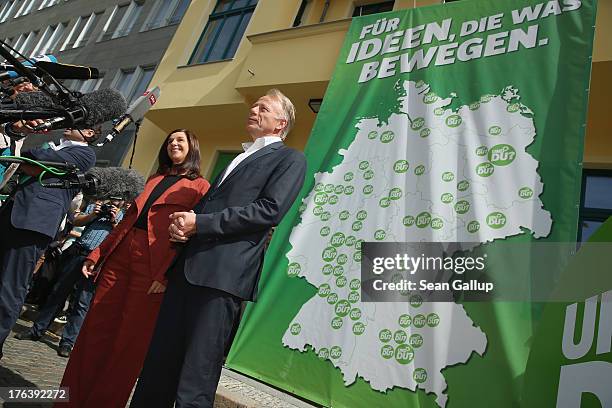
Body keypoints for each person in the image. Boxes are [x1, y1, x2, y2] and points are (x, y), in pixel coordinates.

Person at [131, 89, 307, 407]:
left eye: (263, 107)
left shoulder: (289, 158)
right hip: (187, 270)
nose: (254, 109)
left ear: (281, 122)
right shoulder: (241, 156)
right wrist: (185, 229)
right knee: (158, 366)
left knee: (195, 376)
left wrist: (201, 223)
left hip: (222, 278)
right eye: (254, 105)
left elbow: (270, 210)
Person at [58, 129, 210, 407]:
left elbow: (191, 238)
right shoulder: (154, 179)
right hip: (120, 257)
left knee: (128, 345)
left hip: (153, 267)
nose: (173, 144)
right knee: (94, 331)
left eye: (181, 140)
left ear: (193, 148)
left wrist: (165, 274)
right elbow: (127, 221)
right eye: (170, 140)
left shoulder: (200, 187)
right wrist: (98, 254)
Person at [0, 126, 97, 359]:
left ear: (91, 134)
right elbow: (29, 161)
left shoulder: (85, 154)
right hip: (11, 214)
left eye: (80, 125)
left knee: (9, 288)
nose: (71, 125)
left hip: (34, 222)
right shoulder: (55, 146)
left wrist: (33, 161)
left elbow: (38, 158)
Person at [15, 197, 125, 358]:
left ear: (123, 201)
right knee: (57, 292)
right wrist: (94, 215)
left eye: (118, 200)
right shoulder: (96, 207)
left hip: (97, 261)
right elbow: (77, 221)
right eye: (112, 198)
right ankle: (37, 330)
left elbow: (120, 235)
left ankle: (67, 342)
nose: (114, 203)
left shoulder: (123, 216)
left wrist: (114, 221)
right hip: (78, 252)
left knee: (82, 302)